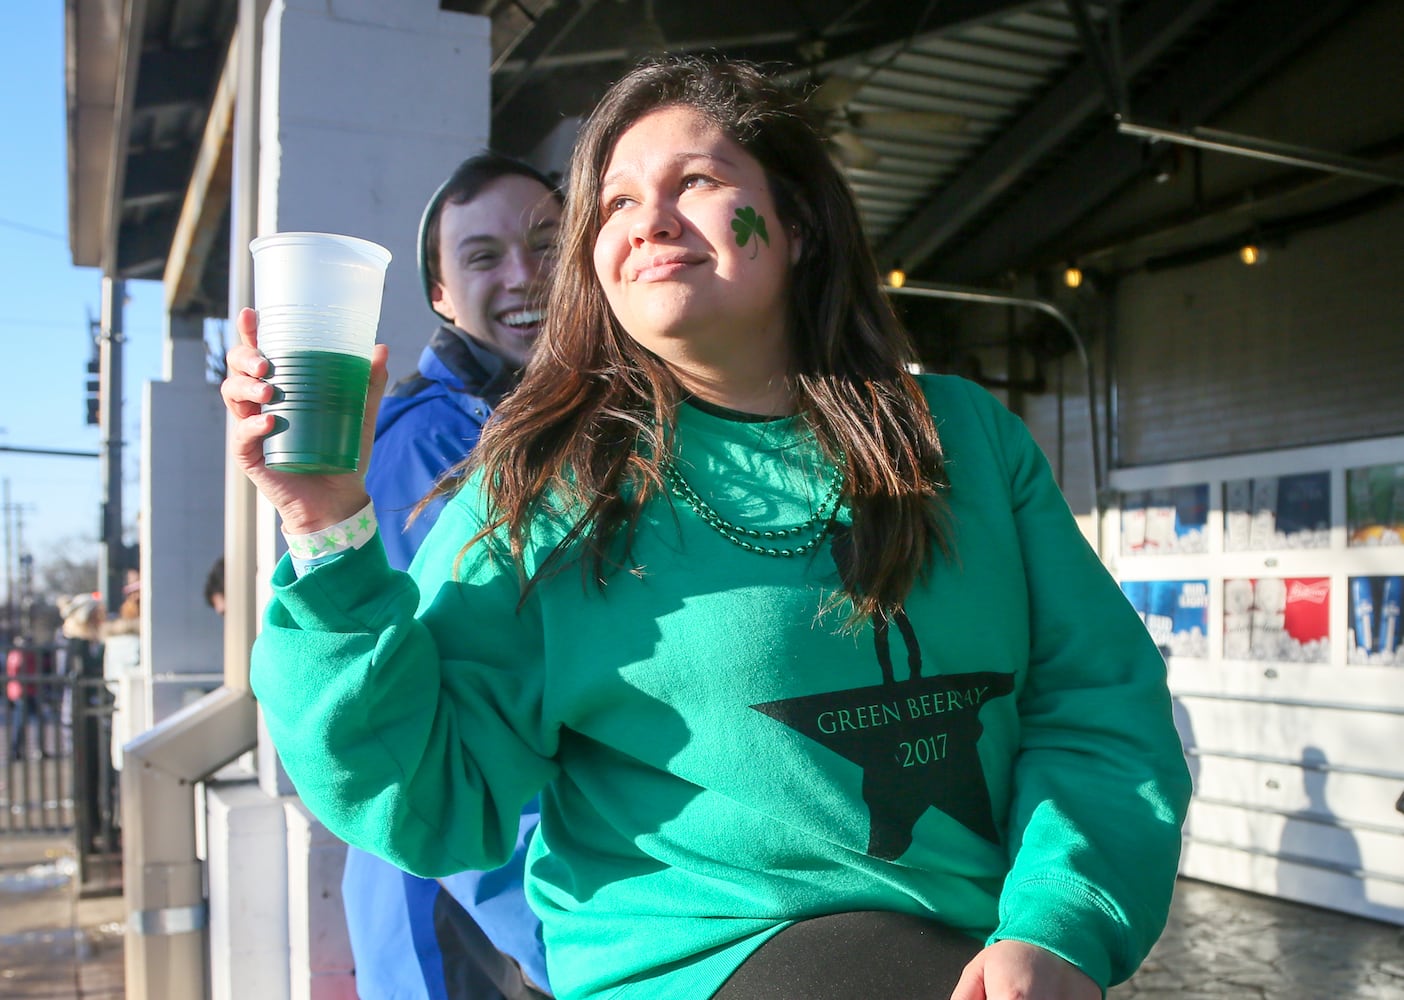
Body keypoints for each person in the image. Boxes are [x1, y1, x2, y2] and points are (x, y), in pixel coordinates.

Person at [223, 55, 1192, 1000]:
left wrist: (1058, 921)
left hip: (979, 960)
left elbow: (1098, 705)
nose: (649, 221)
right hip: (699, 965)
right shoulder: (541, 489)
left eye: (696, 181)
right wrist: (323, 524)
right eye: (612, 204)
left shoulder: (968, 439)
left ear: (798, 223)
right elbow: (426, 791)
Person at [346, 153, 561, 1000]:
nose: (523, 274)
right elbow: (450, 721)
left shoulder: (548, 423)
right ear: (440, 294)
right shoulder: (433, 447)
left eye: (546, 243)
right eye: (482, 256)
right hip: (474, 906)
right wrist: (566, 946)